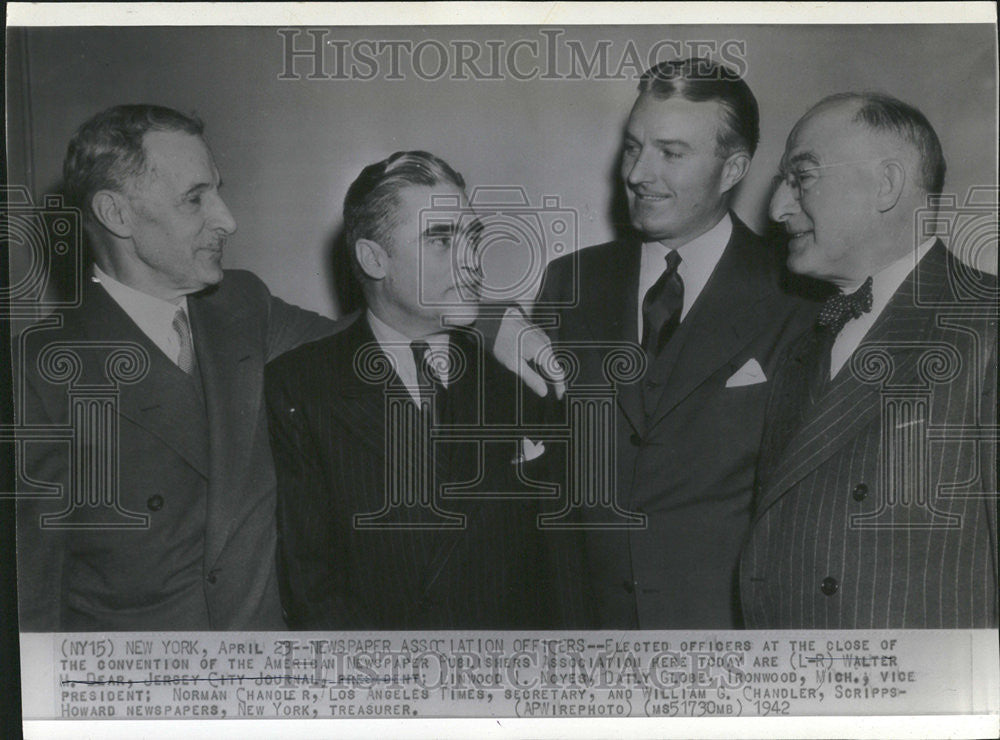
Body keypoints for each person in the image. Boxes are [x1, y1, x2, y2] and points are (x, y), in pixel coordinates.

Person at [16, 105, 339, 630]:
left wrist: (493, 326)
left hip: (272, 682)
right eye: (195, 199)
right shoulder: (37, 373)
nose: (227, 219)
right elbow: (31, 602)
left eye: (218, 190)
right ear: (116, 214)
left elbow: (363, 346)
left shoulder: (243, 304)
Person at [522, 58, 817, 629]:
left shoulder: (797, 297)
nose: (637, 173)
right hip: (586, 642)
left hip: (728, 650)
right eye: (633, 147)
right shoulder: (569, 283)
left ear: (733, 168)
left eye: (671, 153)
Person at [265, 151, 559, 629]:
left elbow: (558, 562)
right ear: (374, 259)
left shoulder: (514, 369)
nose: (471, 261)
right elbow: (312, 586)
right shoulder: (301, 387)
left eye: (472, 237)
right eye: (440, 239)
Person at [740, 92, 997, 628]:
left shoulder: (985, 325)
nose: (777, 210)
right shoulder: (802, 347)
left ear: (886, 185)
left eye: (802, 178)